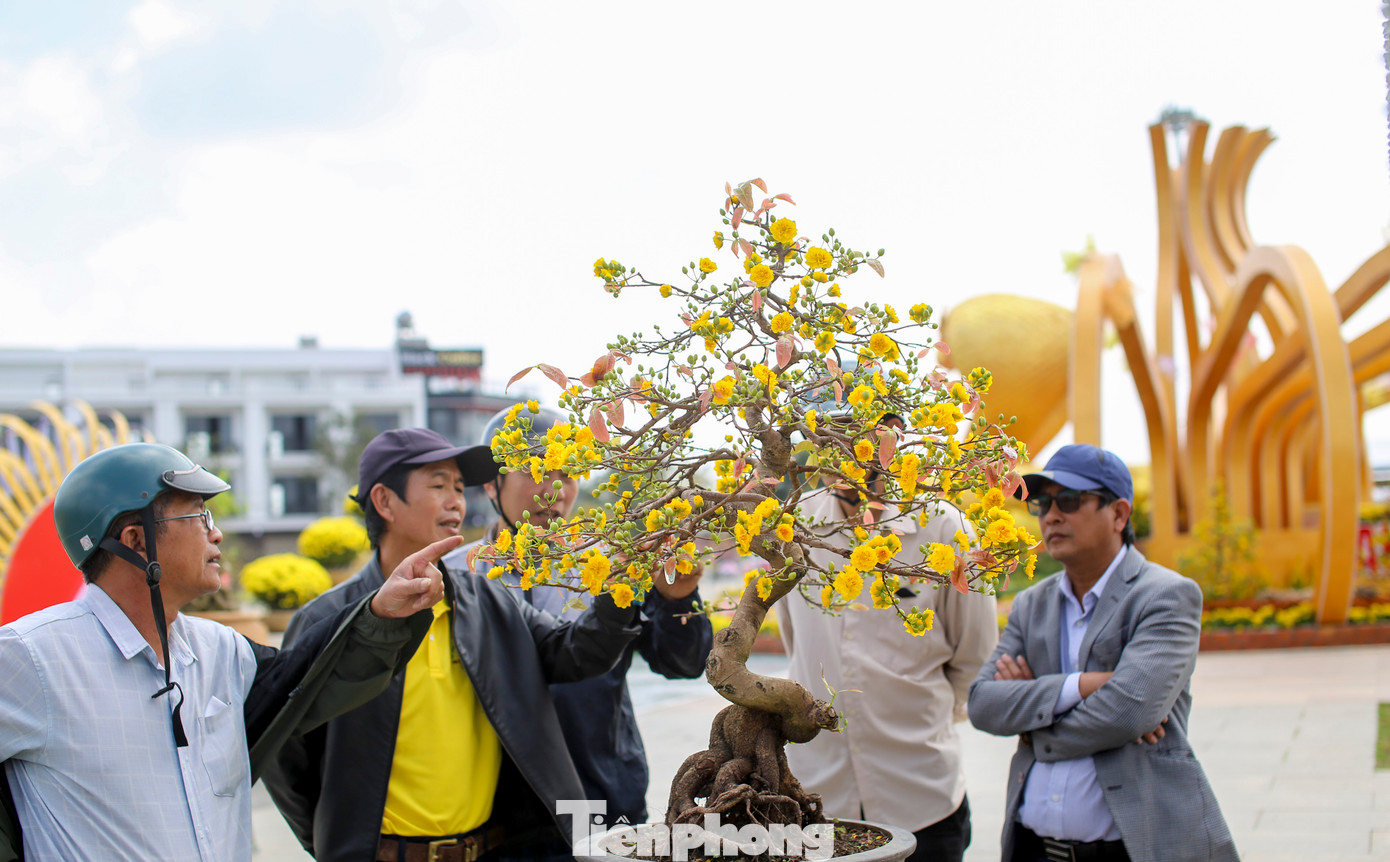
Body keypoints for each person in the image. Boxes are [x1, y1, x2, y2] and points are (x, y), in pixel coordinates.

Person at [0, 443, 449, 862]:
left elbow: (312, 680)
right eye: (198, 516)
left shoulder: (222, 649)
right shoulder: (32, 657)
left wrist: (380, 612)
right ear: (136, 541)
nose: (216, 535)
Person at [264, 427, 644, 862]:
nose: (456, 502)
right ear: (385, 501)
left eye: (460, 488)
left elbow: (576, 653)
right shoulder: (325, 620)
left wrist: (619, 592)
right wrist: (337, 839)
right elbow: (285, 750)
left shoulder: (486, 598)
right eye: (439, 485)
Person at [444, 405, 712, 848]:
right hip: (493, 809)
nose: (555, 490)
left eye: (568, 474)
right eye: (536, 472)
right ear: (491, 483)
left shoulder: (609, 565)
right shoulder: (454, 576)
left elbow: (680, 663)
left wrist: (679, 598)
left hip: (603, 793)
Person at [968, 444, 1238, 862]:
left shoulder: (1166, 596)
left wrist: (1034, 719)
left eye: (1070, 501)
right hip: (1033, 849)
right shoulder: (1031, 605)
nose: (1051, 515)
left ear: (1119, 514)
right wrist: (1087, 685)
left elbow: (1128, 712)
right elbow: (983, 705)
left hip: (1132, 848)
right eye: (1043, 503)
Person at [780, 414, 998, 862]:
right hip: (819, 795)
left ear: (892, 437)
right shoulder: (792, 527)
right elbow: (796, 641)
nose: (842, 448)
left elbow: (975, 654)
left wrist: (917, 720)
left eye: (859, 434)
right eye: (826, 435)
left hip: (922, 792)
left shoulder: (943, 527)